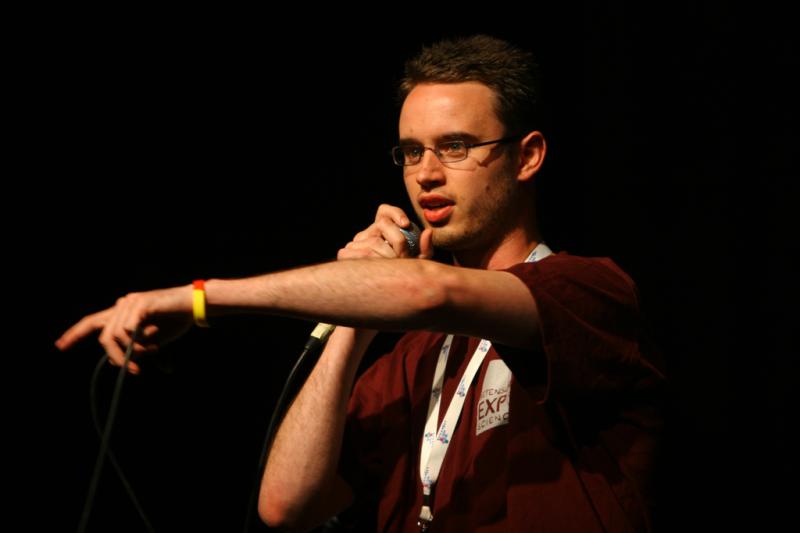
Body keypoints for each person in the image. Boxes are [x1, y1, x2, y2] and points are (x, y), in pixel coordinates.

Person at [57, 35, 665, 532]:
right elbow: (287, 504)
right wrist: (353, 315)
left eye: (455, 147)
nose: (426, 174)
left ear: (527, 156)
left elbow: (428, 293)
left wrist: (203, 298)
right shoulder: (412, 359)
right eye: (411, 152)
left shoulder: (586, 290)